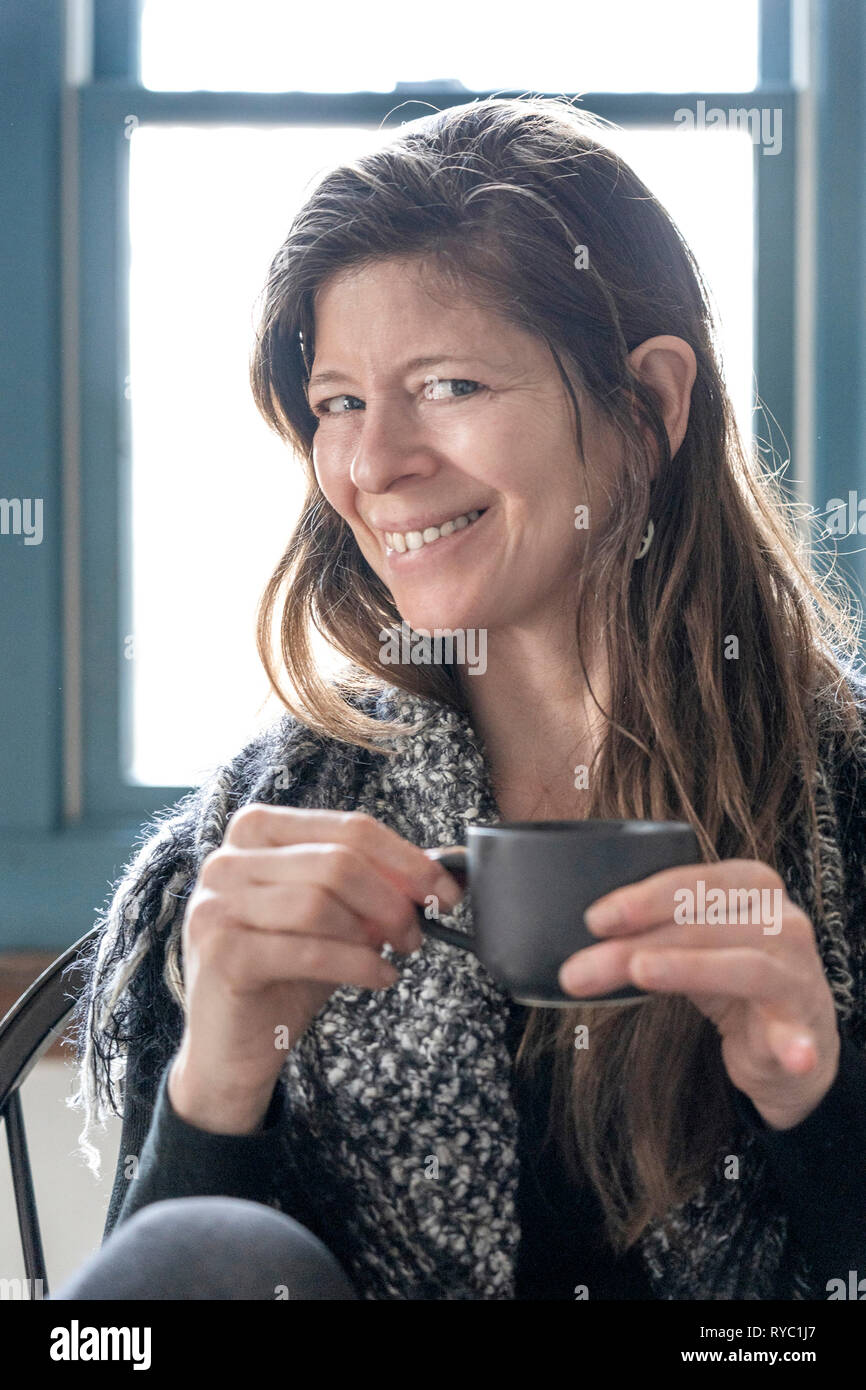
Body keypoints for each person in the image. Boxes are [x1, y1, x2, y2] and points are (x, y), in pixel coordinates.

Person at [57, 95, 866, 1302]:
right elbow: (130, 1324)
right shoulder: (259, 823)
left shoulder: (843, 800)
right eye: (337, 402)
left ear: (646, 408)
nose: (374, 462)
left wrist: (817, 1100)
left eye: (444, 385)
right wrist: (216, 1075)